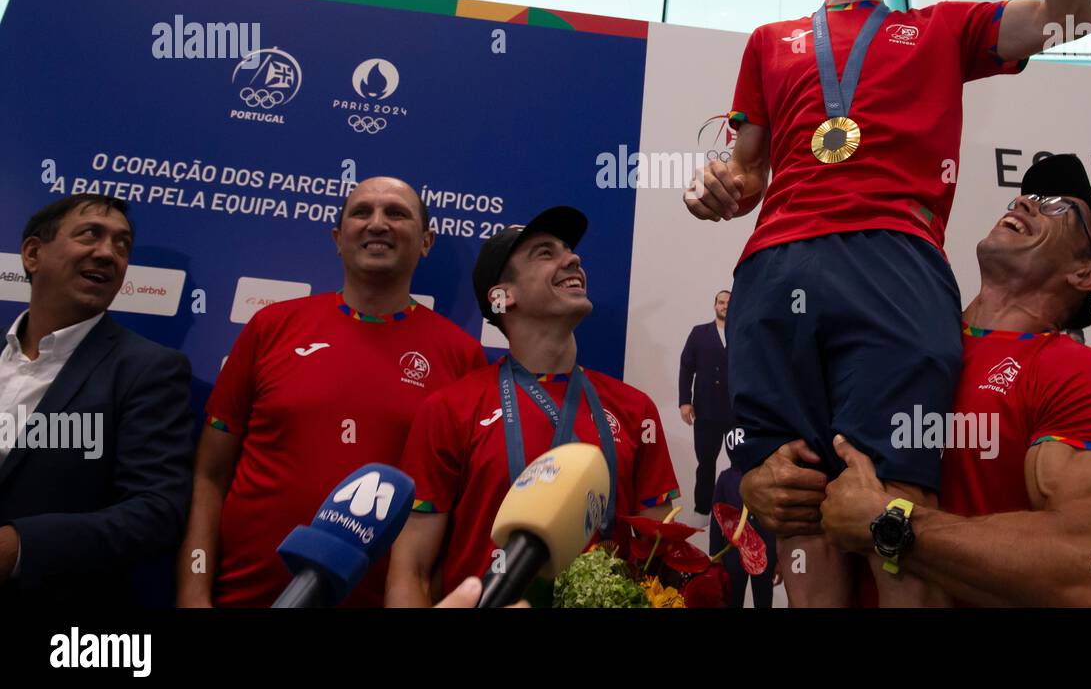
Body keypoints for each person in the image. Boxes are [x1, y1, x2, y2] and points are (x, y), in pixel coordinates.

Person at [684, 0, 1091, 608]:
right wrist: (718, 188)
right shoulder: (770, 44)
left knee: (894, 501)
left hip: (897, 263)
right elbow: (746, 172)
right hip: (775, 265)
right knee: (797, 503)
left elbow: (1072, 18)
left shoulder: (941, 28)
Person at [744, 154, 1091, 607]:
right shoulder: (889, 341)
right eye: (1027, 195)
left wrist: (891, 524)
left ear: (1085, 274)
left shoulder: (1075, 373)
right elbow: (813, 462)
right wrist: (766, 487)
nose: (1027, 203)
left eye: (1057, 208)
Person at [175, 177, 485, 608]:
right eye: (362, 212)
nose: (378, 223)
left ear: (426, 241)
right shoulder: (271, 326)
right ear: (338, 239)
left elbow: (450, 516)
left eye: (396, 213)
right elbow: (209, 475)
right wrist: (193, 591)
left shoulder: (462, 358)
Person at [386, 207, 680, 607]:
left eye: (568, 251)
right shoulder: (449, 409)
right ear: (502, 296)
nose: (572, 259)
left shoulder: (635, 409)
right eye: (545, 253)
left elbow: (665, 554)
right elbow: (411, 570)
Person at [0, 195, 193, 606]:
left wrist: (19, 546)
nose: (108, 253)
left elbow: (156, 511)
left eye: (122, 245)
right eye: (92, 234)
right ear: (34, 253)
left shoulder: (149, 370)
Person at [678, 290, 732, 515]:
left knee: (742, 464)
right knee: (706, 464)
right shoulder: (699, 333)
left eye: (729, 303)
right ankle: (702, 512)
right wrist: (684, 402)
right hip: (706, 411)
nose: (724, 306)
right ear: (714, 305)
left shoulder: (742, 333)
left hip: (736, 412)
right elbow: (686, 368)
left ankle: (738, 511)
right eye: (721, 302)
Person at [708, 465, 778, 608]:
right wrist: (716, 554)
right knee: (732, 600)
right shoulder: (726, 477)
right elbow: (716, 518)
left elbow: (778, 517)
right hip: (734, 554)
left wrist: (780, 560)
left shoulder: (771, 476)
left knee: (763, 600)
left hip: (765, 554)